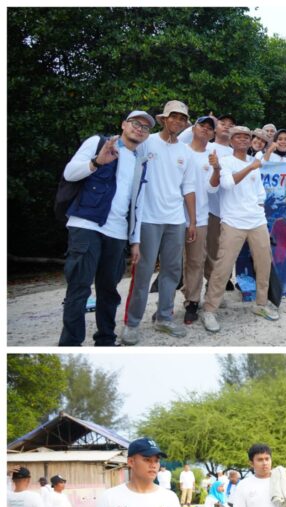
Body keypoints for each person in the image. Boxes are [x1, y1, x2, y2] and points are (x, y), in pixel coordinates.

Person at [58, 110, 154, 346]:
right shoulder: (98, 143)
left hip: (117, 232)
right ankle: (70, 344)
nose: (139, 129)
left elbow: (137, 204)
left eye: (145, 127)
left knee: (109, 291)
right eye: (135, 123)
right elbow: (69, 174)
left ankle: (106, 340)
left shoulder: (140, 162)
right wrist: (96, 162)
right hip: (86, 225)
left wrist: (135, 240)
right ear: (123, 125)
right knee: (79, 289)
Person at [121, 100, 197, 344]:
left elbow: (189, 188)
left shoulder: (186, 152)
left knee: (172, 271)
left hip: (175, 220)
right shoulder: (147, 142)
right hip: (149, 219)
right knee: (142, 272)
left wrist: (192, 222)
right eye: (173, 117)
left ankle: (164, 317)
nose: (177, 121)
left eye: (182, 119)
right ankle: (132, 323)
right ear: (164, 119)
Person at [201, 126, 279, 332]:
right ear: (232, 140)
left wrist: (259, 207)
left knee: (264, 265)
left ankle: (261, 304)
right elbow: (226, 184)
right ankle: (209, 309)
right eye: (239, 137)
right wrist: (251, 167)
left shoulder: (254, 163)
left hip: (257, 221)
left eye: (247, 137)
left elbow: (260, 191)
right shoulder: (225, 162)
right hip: (233, 221)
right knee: (223, 267)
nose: (243, 140)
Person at [181, 115, 216, 324]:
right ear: (193, 128)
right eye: (201, 126)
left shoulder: (211, 156)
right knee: (172, 264)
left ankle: (192, 302)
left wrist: (217, 169)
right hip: (174, 215)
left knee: (196, 261)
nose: (205, 130)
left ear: (213, 134)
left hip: (201, 216)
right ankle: (165, 306)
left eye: (209, 128)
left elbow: (213, 187)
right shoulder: (181, 150)